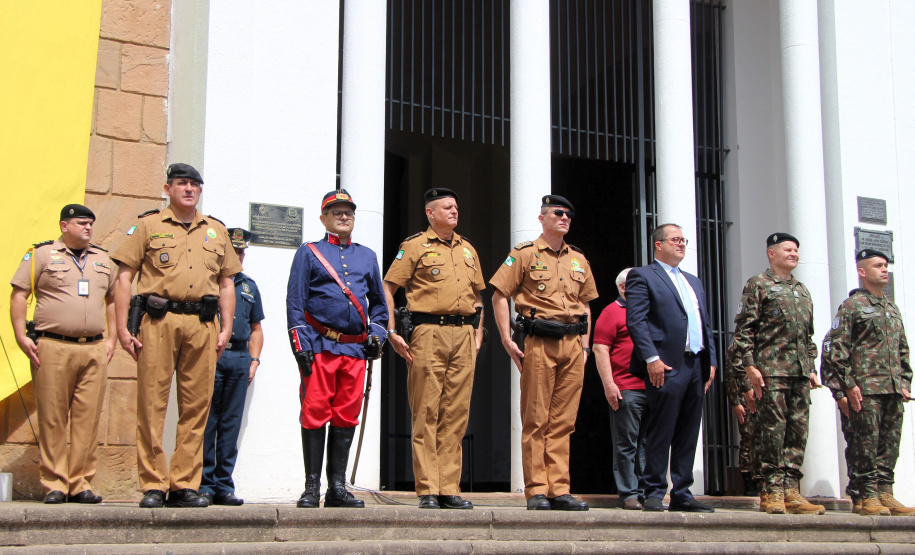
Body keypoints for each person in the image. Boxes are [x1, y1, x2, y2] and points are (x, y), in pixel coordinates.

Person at [112, 163, 242, 508]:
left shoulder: (216, 230)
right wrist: (123, 326)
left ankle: (184, 483)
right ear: (168, 188)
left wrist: (226, 327)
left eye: (194, 185)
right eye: (181, 183)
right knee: (152, 404)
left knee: (196, 408)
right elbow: (125, 277)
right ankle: (153, 484)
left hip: (202, 324)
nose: (188, 189)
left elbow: (227, 282)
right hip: (158, 322)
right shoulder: (148, 225)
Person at [491, 195, 597, 512]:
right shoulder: (524, 254)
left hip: (573, 343)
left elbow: (587, 303)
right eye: (558, 213)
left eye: (569, 214)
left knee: (564, 421)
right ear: (542, 218)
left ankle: (559, 489)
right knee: (536, 418)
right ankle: (537, 489)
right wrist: (507, 339)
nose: (565, 217)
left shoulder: (578, 258)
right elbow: (499, 295)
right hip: (540, 341)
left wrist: (587, 344)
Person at [383, 188, 484, 510]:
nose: (454, 211)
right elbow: (389, 287)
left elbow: (478, 297)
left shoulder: (468, 249)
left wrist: (480, 333)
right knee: (427, 410)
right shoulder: (414, 246)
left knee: (456, 413)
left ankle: (449, 488)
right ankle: (428, 487)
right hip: (427, 333)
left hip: (464, 334)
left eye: (456, 207)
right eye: (447, 207)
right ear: (431, 213)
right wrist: (391, 330)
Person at [9, 204, 117, 504]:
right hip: (53, 345)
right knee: (53, 417)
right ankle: (55, 482)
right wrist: (20, 336)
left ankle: (80, 482)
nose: (88, 228)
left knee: (87, 418)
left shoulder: (103, 258)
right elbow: (20, 293)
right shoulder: (41, 254)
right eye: (82, 223)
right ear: (64, 225)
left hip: (94, 348)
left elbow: (112, 300)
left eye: (91, 224)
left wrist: (112, 339)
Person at [287, 189, 387, 509]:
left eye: (349, 212)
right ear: (324, 218)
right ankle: (311, 488)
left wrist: (377, 335)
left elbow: (380, 307)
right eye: (337, 212)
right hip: (319, 346)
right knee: (315, 413)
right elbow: (295, 301)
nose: (344, 217)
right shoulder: (310, 252)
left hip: (355, 351)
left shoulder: (367, 256)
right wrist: (299, 344)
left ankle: (338, 488)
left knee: (346, 415)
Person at [729, 233, 824, 515]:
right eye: (787, 249)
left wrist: (811, 368)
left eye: (796, 250)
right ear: (772, 253)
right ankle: (770, 491)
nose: (793, 253)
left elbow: (808, 335)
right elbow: (745, 330)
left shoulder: (802, 290)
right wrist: (749, 366)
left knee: (797, 432)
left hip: (798, 374)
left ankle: (792, 491)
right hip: (770, 372)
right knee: (772, 431)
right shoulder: (759, 284)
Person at [625, 223, 717, 513]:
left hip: (695, 364)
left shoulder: (694, 281)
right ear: (658, 245)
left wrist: (711, 360)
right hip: (665, 364)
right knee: (661, 430)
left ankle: (683, 492)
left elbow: (704, 323)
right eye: (675, 240)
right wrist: (651, 358)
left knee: (689, 431)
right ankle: (653, 491)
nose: (681, 244)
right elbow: (636, 321)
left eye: (683, 240)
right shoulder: (643, 276)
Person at [821, 249, 914, 516]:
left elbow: (902, 349)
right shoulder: (852, 306)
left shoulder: (891, 307)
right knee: (864, 444)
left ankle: (885, 492)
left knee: (889, 445)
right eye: (878, 266)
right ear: (862, 271)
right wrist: (848, 385)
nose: (884, 269)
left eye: (886, 265)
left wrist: (905, 381)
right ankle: (865, 495)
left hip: (893, 390)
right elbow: (836, 349)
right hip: (865, 390)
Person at [199, 228, 264, 506]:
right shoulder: (209, 281)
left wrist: (254, 359)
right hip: (211, 356)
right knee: (206, 423)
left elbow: (257, 328)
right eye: (233, 251)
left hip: (239, 358)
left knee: (230, 425)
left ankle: (224, 485)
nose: (238, 255)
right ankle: (203, 484)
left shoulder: (249, 286)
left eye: (241, 251)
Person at [592, 267, 647, 511]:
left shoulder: (648, 312)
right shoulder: (611, 312)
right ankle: (629, 493)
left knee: (649, 444)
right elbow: (600, 349)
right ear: (623, 287)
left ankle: (648, 492)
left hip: (653, 388)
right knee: (627, 444)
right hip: (626, 388)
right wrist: (609, 384)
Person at [724, 342, 764, 509]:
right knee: (748, 437)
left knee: (764, 438)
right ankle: (748, 480)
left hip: (762, 397)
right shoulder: (736, 347)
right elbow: (730, 377)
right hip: (744, 399)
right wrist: (735, 402)